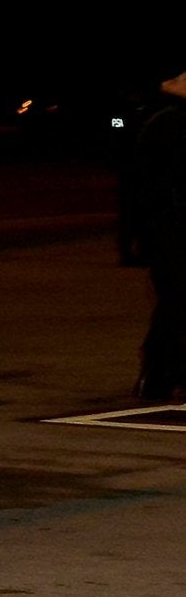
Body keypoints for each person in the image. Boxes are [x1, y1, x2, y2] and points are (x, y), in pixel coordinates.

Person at [117, 69, 186, 404]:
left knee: (175, 302)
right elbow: (148, 184)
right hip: (170, 228)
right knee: (177, 302)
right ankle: (157, 374)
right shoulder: (167, 120)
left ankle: (166, 372)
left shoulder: (166, 117)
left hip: (166, 226)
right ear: (170, 83)